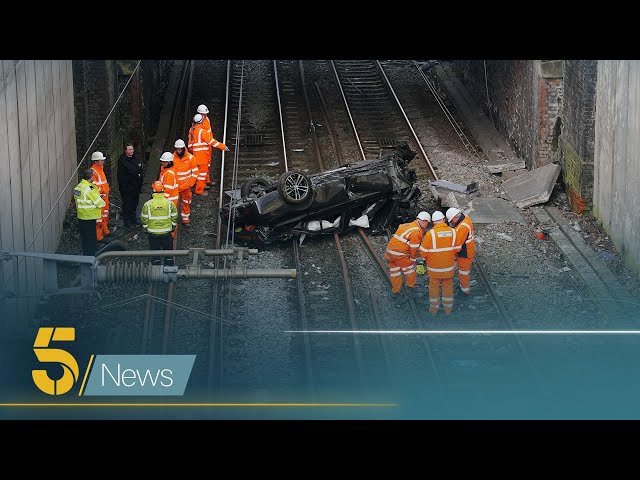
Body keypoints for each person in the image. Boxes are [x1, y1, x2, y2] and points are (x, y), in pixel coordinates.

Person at [419, 211, 461, 316]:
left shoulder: (430, 234)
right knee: (448, 285)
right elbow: (457, 248)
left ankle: (434, 309)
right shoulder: (453, 232)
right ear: (443, 220)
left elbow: (423, 252)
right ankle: (448, 309)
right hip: (448, 267)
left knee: (433, 286)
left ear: (433, 222)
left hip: (434, 269)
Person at [384, 211, 431, 296]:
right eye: (428, 223)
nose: (427, 226)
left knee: (395, 272)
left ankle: (396, 290)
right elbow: (414, 249)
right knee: (410, 270)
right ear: (424, 221)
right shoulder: (416, 232)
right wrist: (413, 260)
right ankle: (411, 287)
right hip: (399, 255)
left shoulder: (407, 225)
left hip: (389, 252)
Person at [188, 113, 229, 196]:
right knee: (202, 174)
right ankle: (199, 190)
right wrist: (223, 147)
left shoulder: (192, 130)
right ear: (201, 121)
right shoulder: (202, 131)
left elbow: (190, 145)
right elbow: (211, 142)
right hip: (202, 156)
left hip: (196, 155)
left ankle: (202, 185)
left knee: (200, 172)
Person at [140, 181, 178, 266]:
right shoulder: (169, 203)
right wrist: (172, 227)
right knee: (168, 255)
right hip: (167, 233)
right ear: (163, 190)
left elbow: (144, 219)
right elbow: (175, 217)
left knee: (155, 255)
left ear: (152, 190)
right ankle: (169, 273)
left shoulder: (148, 204)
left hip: (153, 234)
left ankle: (156, 271)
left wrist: (146, 229)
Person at [74, 168, 106, 257]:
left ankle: (85, 254)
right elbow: (99, 203)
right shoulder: (89, 188)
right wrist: (102, 200)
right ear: (91, 177)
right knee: (91, 238)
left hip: (81, 216)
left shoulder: (78, 187)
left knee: (84, 237)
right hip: (89, 216)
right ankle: (91, 256)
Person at [446, 207, 476, 295]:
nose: (452, 222)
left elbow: (457, 246)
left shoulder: (462, 227)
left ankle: (465, 290)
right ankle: (464, 287)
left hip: (464, 253)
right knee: (464, 272)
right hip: (467, 250)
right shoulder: (465, 218)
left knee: (463, 272)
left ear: (456, 217)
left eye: (452, 220)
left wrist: (448, 254)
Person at [172, 139, 198, 227]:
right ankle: (173, 220)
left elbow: (195, 172)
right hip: (175, 186)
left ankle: (185, 219)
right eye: (177, 149)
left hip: (186, 186)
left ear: (184, 148)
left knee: (186, 202)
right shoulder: (172, 158)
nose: (179, 151)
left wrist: (190, 183)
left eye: (180, 149)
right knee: (173, 203)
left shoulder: (191, 158)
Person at [116, 143, 143, 227]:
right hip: (127, 188)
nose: (131, 151)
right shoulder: (122, 161)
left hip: (136, 187)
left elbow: (139, 170)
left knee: (134, 204)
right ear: (125, 150)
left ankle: (133, 220)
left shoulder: (136, 159)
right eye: (129, 149)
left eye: (132, 149)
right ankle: (127, 222)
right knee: (127, 205)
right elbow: (122, 175)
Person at [90, 151, 110, 241]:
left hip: (104, 197)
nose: (103, 162)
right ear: (96, 161)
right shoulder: (93, 171)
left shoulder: (100, 169)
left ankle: (105, 231)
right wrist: (103, 191)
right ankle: (99, 236)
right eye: (101, 160)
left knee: (105, 215)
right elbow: (94, 187)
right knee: (99, 218)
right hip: (100, 198)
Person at [196, 104, 214, 187]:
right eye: (203, 114)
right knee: (202, 166)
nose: (205, 115)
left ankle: (207, 180)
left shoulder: (207, 119)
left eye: (205, 114)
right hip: (202, 147)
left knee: (208, 164)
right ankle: (202, 184)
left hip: (207, 145)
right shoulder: (198, 122)